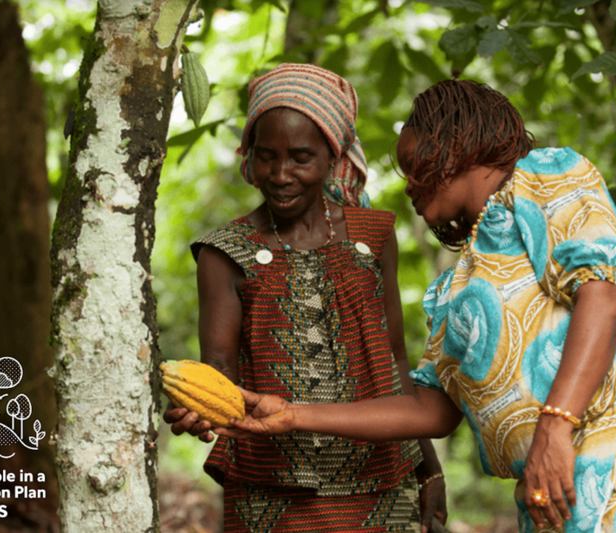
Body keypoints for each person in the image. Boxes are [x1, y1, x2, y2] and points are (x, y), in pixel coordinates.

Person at [215, 80, 616, 533]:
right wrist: (294, 415)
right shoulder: (461, 283)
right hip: (548, 476)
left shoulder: (546, 176)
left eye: (412, 163)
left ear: (453, 141)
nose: (407, 186)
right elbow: (432, 408)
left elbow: (606, 289)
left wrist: (555, 426)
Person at [164, 63, 448, 533]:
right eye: (265, 155)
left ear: (333, 156)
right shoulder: (225, 252)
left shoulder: (374, 236)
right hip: (271, 494)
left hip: (381, 482)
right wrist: (197, 407)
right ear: (248, 156)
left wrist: (428, 468)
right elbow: (219, 376)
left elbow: (395, 362)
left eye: (300, 157)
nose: (280, 174)